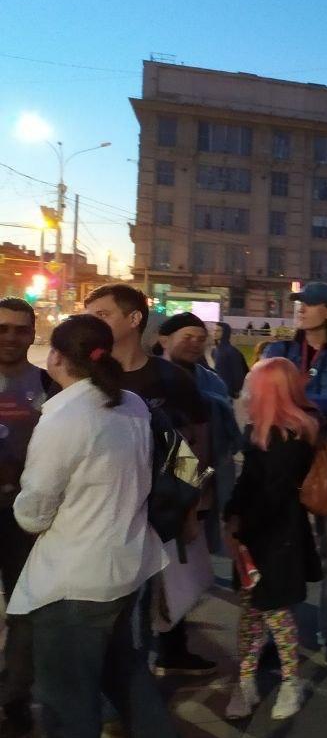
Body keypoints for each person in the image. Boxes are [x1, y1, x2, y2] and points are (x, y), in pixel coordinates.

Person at [10, 314, 197, 738]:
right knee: (121, 667)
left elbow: (33, 512)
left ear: (55, 357)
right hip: (127, 565)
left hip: (76, 578)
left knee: (66, 697)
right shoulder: (130, 403)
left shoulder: (64, 419)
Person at [85, 284, 217, 678]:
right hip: (102, 510)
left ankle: (166, 657)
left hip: (160, 508)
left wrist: (192, 505)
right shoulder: (85, 376)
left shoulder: (171, 378)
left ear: (133, 319)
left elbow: (195, 441)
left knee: (165, 589)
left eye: (102, 314)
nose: (93, 323)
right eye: (89, 315)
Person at [262, 282, 327, 664]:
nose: (301, 309)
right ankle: (278, 635)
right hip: (283, 460)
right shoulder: (280, 350)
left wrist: (289, 399)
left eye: (310, 303)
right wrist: (308, 406)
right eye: (298, 304)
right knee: (280, 549)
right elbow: (262, 397)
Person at [223, 358, 321, 721]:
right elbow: (248, 482)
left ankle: (291, 682)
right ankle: (246, 679)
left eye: (254, 385)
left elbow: (272, 494)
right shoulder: (263, 432)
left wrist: (240, 525)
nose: (247, 392)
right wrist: (231, 515)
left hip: (277, 538)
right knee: (252, 610)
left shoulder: (290, 437)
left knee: (276, 611)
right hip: (256, 535)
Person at [0, 298, 55, 737]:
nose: (11, 337)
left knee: (24, 610)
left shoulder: (49, 384)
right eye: (2, 328)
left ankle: (14, 696)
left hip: (24, 516)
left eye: (21, 329)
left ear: (33, 334)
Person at [159, 312, 243, 555]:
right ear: (164, 340)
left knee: (196, 552)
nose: (195, 343)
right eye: (187, 337)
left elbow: (225, 437)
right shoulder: (152, 377)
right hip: (165, 484)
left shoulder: (212, 381)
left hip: (205, 480)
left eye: (201, 338)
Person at [212, 322, 249, 399]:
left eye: (218, 330)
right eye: (214, 330)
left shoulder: (232, 351)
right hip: (217, 389)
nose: (215, 333)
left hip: (228, 391)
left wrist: (237, 389)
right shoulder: (215, 351)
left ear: (225, 332)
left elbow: (238, 373)